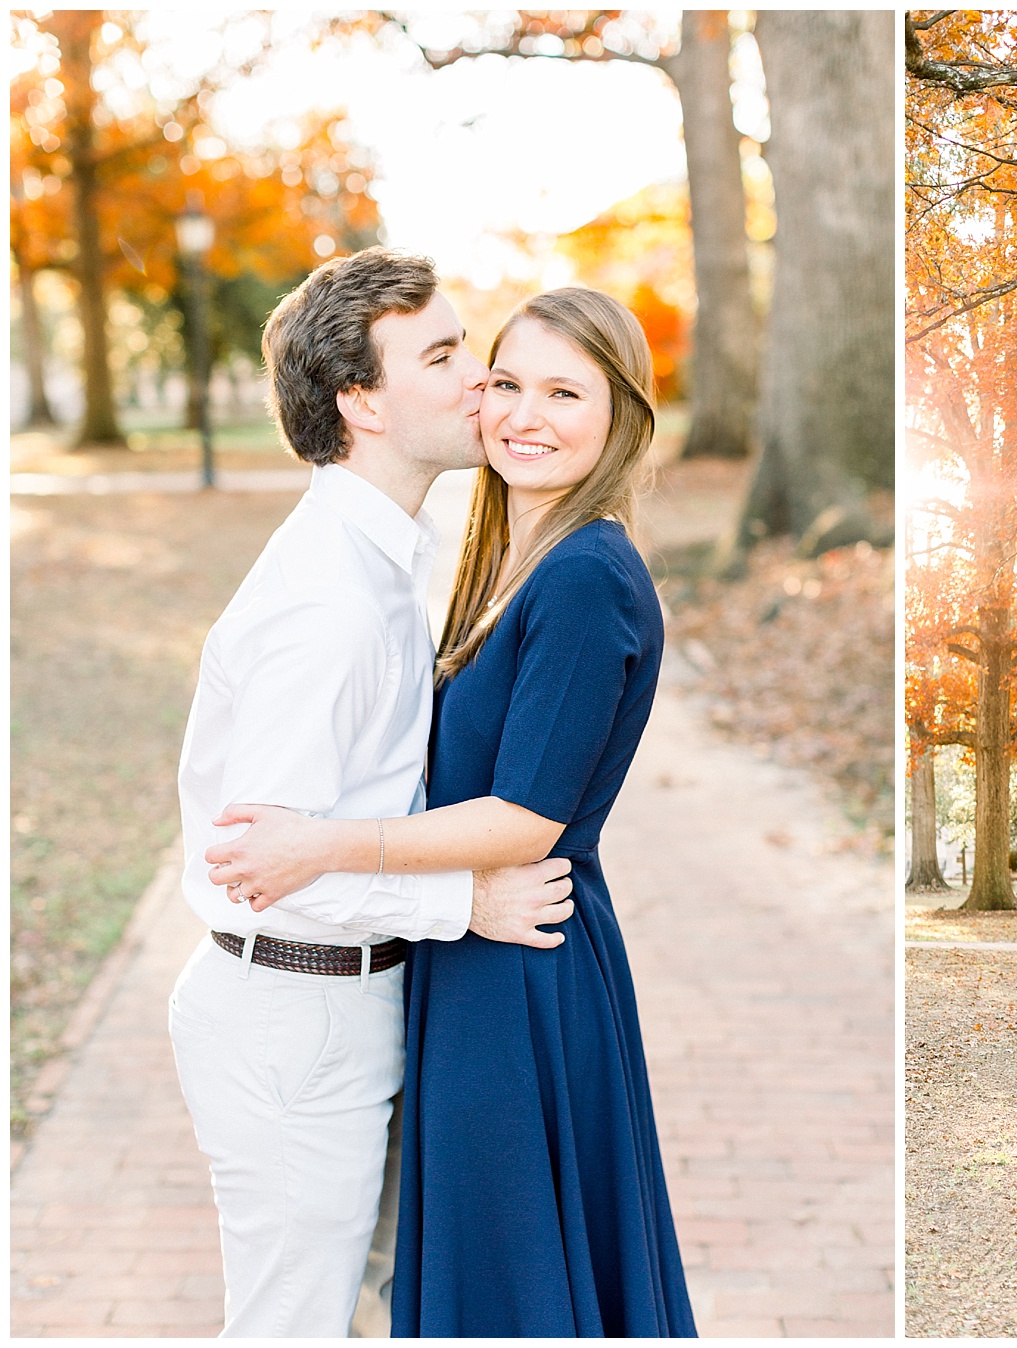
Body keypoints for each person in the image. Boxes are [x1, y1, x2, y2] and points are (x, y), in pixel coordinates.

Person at [204, 287, 696, 1336]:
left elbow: (524, 821)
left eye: (565, 391)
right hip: (467, 955)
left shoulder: (585, 575)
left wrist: (331, 843)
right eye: (503, 378)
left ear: (621, 416)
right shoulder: (489, 560)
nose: (515, 407)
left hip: (520, 962)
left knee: (509, 1285)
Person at [167, 249, 579, 1337]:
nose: (479, 381)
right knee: (291, 1325)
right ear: (362, 401)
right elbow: (263, 868)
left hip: (358, 1001)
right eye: (443, 356)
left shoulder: (390, 554)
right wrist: (463, 904)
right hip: (290, 1013)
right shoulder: (329, 605)